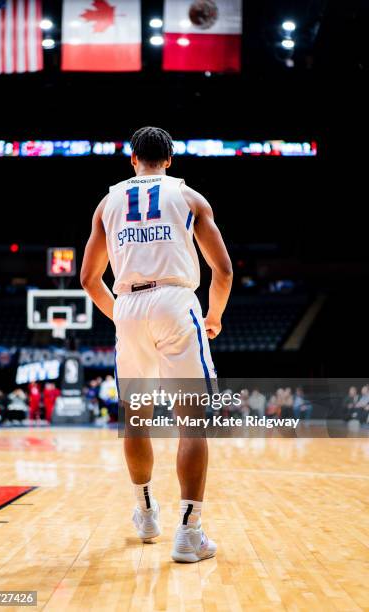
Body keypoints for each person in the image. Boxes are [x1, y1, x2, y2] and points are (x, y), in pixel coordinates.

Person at [81, 126, 233, 563]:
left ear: (132, 160)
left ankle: (146, 511)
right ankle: (189, 534)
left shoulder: (107, 203)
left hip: (127, 302)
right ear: (169, 160)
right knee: (191, 422)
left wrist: (122, 317)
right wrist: (214, 317)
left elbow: (89, 280)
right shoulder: (189, 198)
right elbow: (222, 271)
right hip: (174, 300)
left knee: (136, 418)